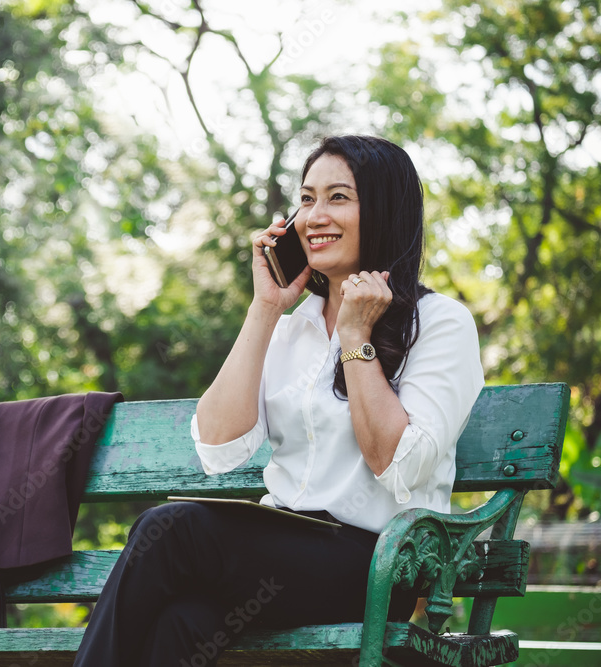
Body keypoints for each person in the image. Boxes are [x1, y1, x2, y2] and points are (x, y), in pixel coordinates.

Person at [72, 135, 484, 667]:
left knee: (167, 529)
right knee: (181, 627)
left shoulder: (440, 323)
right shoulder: (296, 330)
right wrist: (265, 309)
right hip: (283, 554)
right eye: (307, 199)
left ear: (384, 210)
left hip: (379, 564)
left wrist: (356, 336)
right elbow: (217, 447)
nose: (314, 216)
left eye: (338, 197)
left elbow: (396, 463)